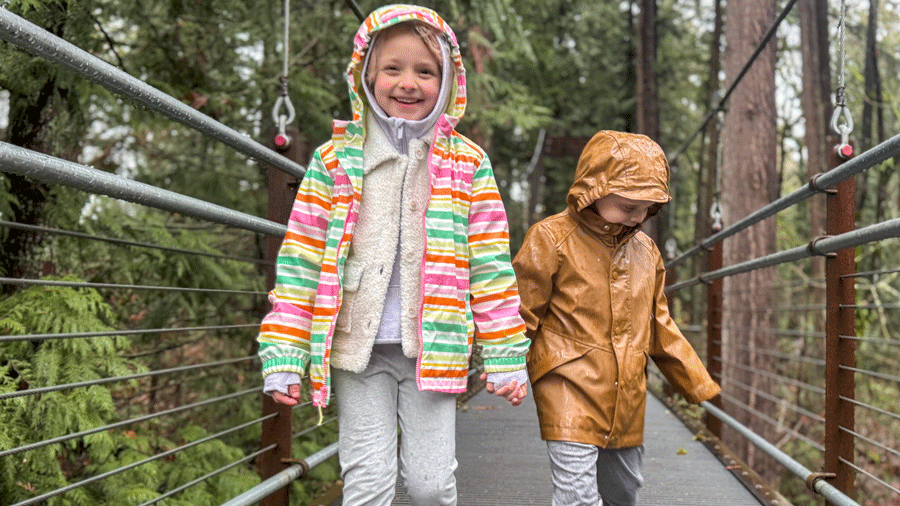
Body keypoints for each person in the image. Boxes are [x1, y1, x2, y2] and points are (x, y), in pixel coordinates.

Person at [256, 5, 530, 505]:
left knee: (430, 486)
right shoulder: (335, 160)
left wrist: (505, 354)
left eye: (425, 71)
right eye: (393, 69)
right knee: (367, 483)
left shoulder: (469, 165)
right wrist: (285, 354)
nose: (408, 83)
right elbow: (300, 263)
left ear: (447, 82)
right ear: (367, 75)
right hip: (355, 349)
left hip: (436, 346)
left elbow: (491, 267)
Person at [512, 130, 721, 506]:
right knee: (576, 495)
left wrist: (696, 383)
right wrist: (505, 363)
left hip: (626, 394)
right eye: (627, 207)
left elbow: (660, 326)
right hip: (568, 382)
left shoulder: (647, 252)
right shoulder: (551, 238)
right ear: (593, 191)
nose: (637, 217)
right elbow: (521, 309)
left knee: (622, 493)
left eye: (646, 208)